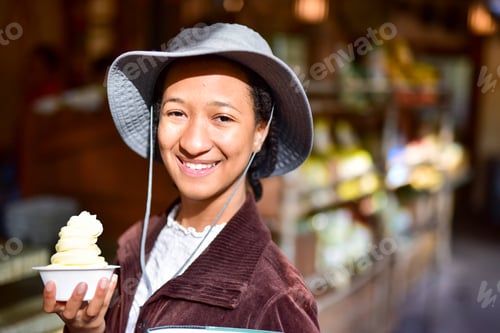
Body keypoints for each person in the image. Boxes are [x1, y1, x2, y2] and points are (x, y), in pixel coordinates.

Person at [43, 22, 320, 333]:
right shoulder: (134, 247)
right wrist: (87, 329)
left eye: (222, 118)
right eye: (176, 113)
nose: (193, 143)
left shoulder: (276, 297)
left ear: (260, 132)